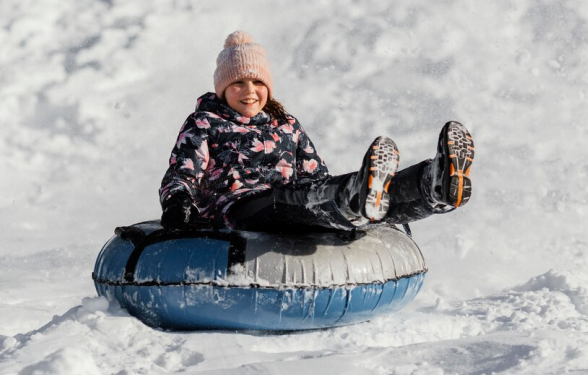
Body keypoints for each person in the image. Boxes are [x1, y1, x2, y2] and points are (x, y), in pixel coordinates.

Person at [159, 31, 475, 233]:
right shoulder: (205, 124)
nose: (249, 91)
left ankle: (431, 187)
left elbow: (315, 173)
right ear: (223, 88)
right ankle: (354, 200)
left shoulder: (287, 125)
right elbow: (181, 175)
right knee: (297, 199)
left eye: (258, 83)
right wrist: (177, 202)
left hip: (292, 199)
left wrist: (331, 186)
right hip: (239, 208)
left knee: (329, 189)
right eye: (238, 83)